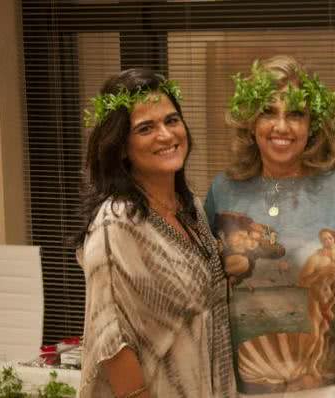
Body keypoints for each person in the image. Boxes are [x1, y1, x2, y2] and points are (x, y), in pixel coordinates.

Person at [75, 69, 236, 398]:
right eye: (146, 128)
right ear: (121, 146)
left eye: (171, 120)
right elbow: (112, 341)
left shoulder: (191, 208)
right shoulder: (116, 223)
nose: (165, 135)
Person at [204, 55, 335, 397]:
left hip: (326, 386)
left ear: (312, 124)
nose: (282, 126)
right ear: (250, 121)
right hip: (241, 387)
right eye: (268, 112)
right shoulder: (223, 190)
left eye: (296, 114)